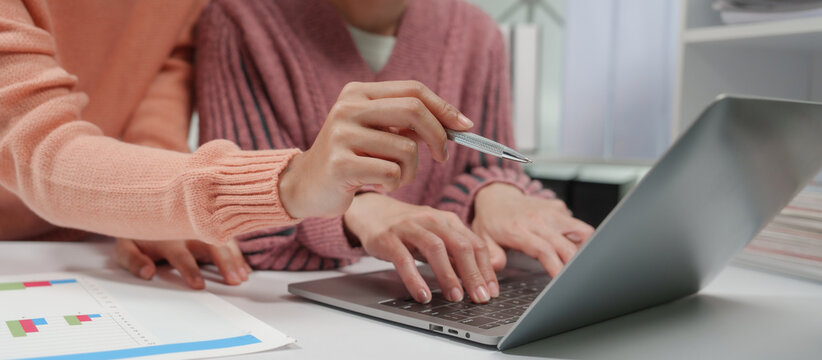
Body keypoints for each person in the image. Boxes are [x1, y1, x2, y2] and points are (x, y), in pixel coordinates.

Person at [115, 0, 595, 304]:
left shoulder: (477, 32)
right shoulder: (240, 18)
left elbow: (475, 170)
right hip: (297, 310)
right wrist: (359, 210)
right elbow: (250, 224)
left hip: (441, 303)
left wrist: (496, 192)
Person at [0, 0, 468, 287]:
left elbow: (154, 122)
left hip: (90, 251)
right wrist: (290, 181)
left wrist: (145, 215)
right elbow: (40, 150)